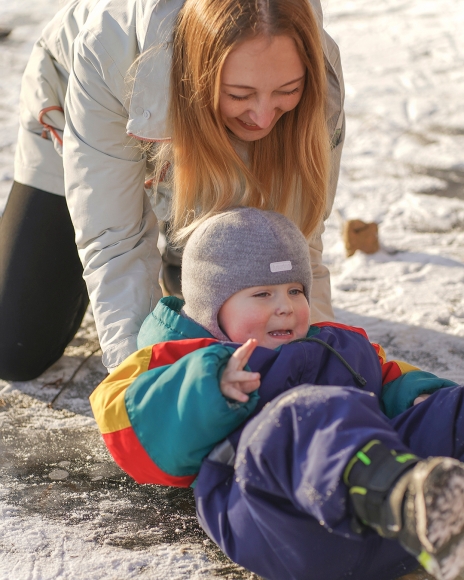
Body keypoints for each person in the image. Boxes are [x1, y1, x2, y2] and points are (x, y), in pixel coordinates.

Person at [91, 208, 464, 580]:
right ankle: (408, 502)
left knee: (449, 407)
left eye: (295, 290)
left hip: (388, 535)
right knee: (303, 413)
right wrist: (206, 387)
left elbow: (389, 378)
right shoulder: (186, 360)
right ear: (211, 309)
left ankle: (440, 510)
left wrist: (419, 398)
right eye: (263, 293)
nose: (285, 306)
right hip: (285, 525)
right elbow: (125, 420)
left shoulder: (335, 345)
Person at [0, 0, 345, 380]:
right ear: (199, 73)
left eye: (287, 90)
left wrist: (325, 360)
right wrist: (143, 384)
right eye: (240, 94)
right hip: (82, 104)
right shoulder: (106, 48)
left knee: (222, 306)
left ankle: (185, 256)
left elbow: (296, 239)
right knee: (15, 348)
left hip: (212, 138)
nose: (263, 116)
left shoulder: (319, 68)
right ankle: (187, 251)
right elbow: (116, 241)